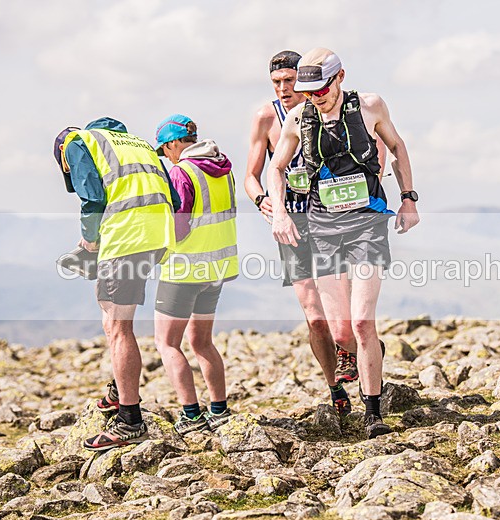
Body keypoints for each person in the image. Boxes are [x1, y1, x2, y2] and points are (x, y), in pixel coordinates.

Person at [268, 49, 420, 439]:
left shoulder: (369, 105)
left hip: (366, 224)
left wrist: (408, 198)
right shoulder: (300, 117)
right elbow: (276, 167)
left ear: (339, 78)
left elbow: (398, 147)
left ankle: (373, 413)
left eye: (321, 89)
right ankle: (367, 365)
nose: (315, 97)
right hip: (322, 227)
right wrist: (282, 213)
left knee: (362, 321)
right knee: (340, 334)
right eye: (309, 91)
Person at [245, 51, 362, 416]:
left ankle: (359, 358)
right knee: (314, 315)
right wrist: (263, 200)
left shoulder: (328, 108)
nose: (284, 89)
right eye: (277, 83)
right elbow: (251, 174)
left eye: (290, 81)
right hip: (291, 222)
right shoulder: (266, 117)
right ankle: (335, 391)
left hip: (331, 218)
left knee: (344, 316)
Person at [53, 117, 178, 451]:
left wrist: (89, 245)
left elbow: (93, 199)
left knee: (117, 327)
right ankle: (118, 390)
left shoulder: (77, 143)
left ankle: (129, 420)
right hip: (157, 234)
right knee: (118, 322)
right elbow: (174, 200)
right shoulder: (136, 145)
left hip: (127, 237)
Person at [152, 114, 238, 435]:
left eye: (164, 150)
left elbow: (180, 224)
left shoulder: (182, 172)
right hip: (216, 267)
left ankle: (191, 416)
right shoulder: (222, 170)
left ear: (174, 143)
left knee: (167, 343)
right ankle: (219, 410)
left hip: (184, 268)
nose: (166, 156)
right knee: (202, 341)